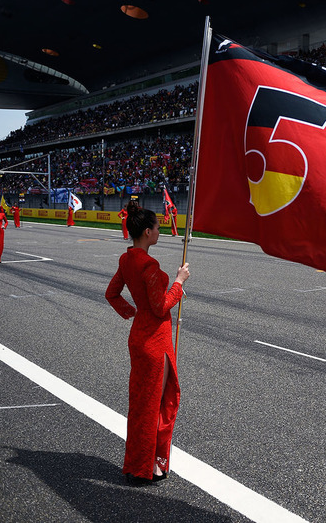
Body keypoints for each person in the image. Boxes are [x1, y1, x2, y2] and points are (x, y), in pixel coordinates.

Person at [105, 201, 190, 485]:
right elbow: (160, 306)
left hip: (139, 336)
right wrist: (178, 283)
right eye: (156, 227)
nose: (159, 231)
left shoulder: (126, 259)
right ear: (146, 231)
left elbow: (112, 294)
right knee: (158, 404)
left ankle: (137, 462)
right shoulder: (149, 264)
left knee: (141, 404)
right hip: (156, 341)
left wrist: (132, 313)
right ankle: (149, 467)